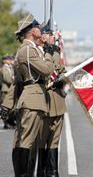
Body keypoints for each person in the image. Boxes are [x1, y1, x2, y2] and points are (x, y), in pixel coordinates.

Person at [12, 13, 54, 177]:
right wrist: (49, 54)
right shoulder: (27, 50)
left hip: (35, 98)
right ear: (31, 31)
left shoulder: (31, 49)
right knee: (27, 141)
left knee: (30, 141)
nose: (40, 29)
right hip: (32, 99)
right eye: (37, 26)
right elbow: (46, 70)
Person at [36, 23, 67, 177]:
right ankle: (41, 171)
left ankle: (53, 172)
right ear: (42, 36)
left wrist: (62, 79)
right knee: (41, 139)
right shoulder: (35, 52)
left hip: (57, 101)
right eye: (49, 33)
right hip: (43, 100)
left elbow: (62, 71)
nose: (53, 36)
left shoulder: (55, 53)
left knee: (54, 139)